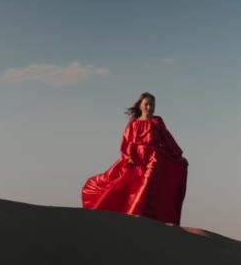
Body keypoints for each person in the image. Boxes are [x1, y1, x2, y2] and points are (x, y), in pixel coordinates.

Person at [81, 92, 189, 226]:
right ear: (140, 105)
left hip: (153, 158)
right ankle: (132, 218)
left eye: (152, 104)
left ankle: (137, 217)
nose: (149, 107)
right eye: (146, 104)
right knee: (128, 186)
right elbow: (127, 142)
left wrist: (178, 155)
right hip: (135, 158)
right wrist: (128, 157)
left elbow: (167, 139)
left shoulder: (157, 121)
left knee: (147, 184)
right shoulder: (133, 123)